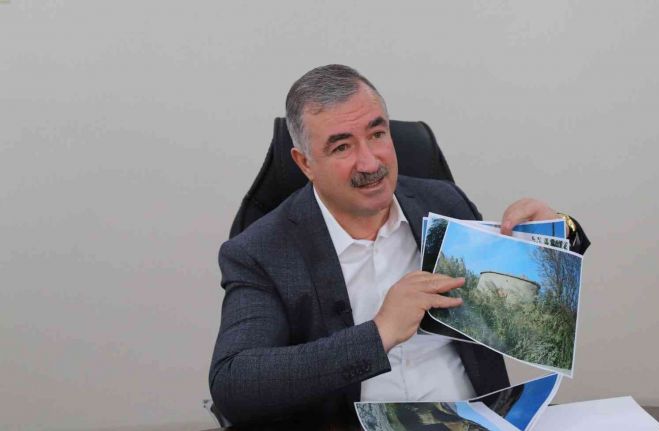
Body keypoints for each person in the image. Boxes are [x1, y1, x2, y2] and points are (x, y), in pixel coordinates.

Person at [209, 64, 590, 430]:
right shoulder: (261, 252)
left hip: (480, 419)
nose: (370, 162)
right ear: (305, 163)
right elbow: (234, 385)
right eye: (342, 147)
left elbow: (520, 305)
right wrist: (379, 333)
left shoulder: (444, 202)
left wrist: (556, 234)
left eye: (377, 135)